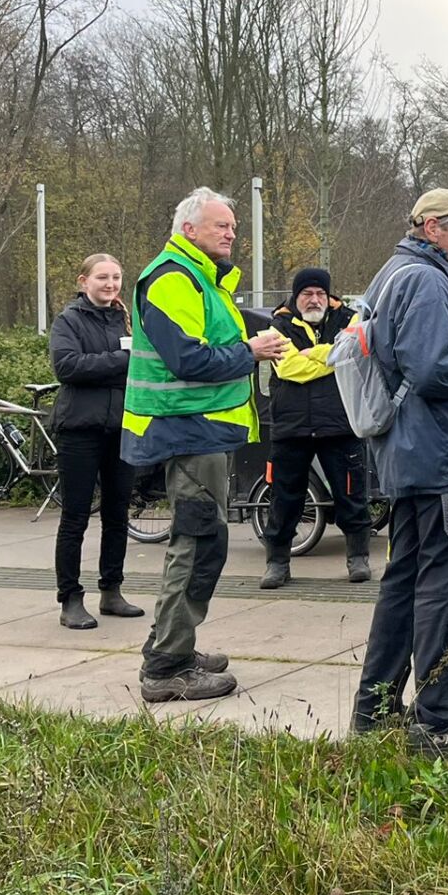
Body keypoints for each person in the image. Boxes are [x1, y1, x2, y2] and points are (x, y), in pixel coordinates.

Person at [351, 189, 448, 757]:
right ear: (433, 227)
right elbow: (435, 369)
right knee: (446, 587)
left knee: (405, 583)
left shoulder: (392, 272)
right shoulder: (429, 280)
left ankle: (375, 711)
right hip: (440, 458)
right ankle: (438, 722)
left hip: (410, 454)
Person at [124, 188, 287, 702]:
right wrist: (250, 351)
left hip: (200, 431)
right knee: (195, 545)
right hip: (186, 431)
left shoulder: (201, 279)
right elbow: (188, 360)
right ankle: (166, 668)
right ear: (189, 229)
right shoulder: (175, 278)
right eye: (222, 225)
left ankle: (172, 646)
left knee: (204, 544)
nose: (231, 233)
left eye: (233, 226)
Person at [259, 266, 373, 589]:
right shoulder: (277, 325)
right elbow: (290, 368)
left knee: (351, 493)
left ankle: (358, 557)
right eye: (307, 294)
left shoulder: (349, 319)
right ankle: (277, 562)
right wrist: (333, 355)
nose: (314, 299)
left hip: (339, 425)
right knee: (284, 498)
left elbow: (356, 353)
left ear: (328, 295)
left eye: (320, 293)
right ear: (296, 297)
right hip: (291, 427)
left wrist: (318, 353)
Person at [50, 253, 143, 630]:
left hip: (121, 428)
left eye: (116, 277)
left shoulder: (126, 318)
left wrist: (111, 364)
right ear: (83, 281)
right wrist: (121, 360)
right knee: (75, 517)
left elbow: (143, 365)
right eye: (102, 277)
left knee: (117, 514)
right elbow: (68, 367)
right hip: (79, 429)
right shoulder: (69, 320)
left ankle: (112, 590)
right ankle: (70, 599)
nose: (110, 284)